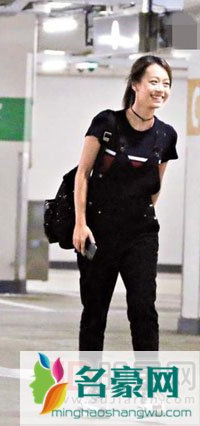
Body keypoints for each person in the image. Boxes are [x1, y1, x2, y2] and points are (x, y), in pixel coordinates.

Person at [73, 55, 178, 352]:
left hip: (141, 234)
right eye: (154, 82)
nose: (161, 89)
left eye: (166, 84)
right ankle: (90, 379)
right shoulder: (107, 123)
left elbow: (155, 187)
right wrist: (81, 224)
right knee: (94, 312)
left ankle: (148, 378)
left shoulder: (166, 135)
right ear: (135, 84)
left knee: (144, 310)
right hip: (99, 231)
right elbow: (82, 174)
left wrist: (137, 212)